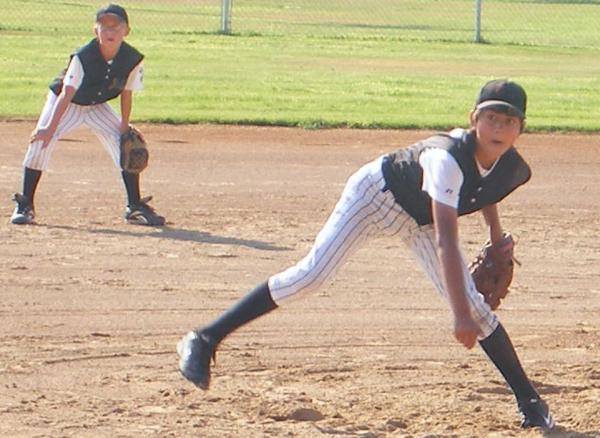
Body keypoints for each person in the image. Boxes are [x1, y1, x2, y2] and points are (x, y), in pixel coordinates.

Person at [177, 79, 554, 429]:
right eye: (491, 118)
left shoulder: (510, 164)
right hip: (375, 195)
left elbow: (486, 191)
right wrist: (458, 316)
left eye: (509, 120)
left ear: (521, 127)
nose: (499, 128)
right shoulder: (446, 160)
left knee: (478, 310)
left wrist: (496, 234)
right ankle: (205, 338)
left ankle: (531, 403)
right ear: (473, 119)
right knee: (311, 277)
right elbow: (447, 242)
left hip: (418, 218)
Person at [10, 3, 165, 226]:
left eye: (116, 26)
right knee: (41, 143)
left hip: (97, 107)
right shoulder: (83, 57)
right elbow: (66, 93)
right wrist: (49, 129)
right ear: (96, 31)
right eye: (104, 26)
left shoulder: (132, 59)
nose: (110, 31)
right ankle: (25, 205)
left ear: (126, 31)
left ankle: (134, 206)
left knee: (125, 146)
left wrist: (124, 125)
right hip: (66, 103)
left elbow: (127, 93)